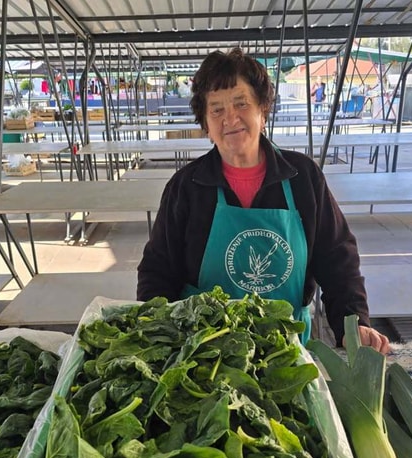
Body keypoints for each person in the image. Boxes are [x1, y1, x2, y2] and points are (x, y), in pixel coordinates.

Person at [136, 48, 390, 354]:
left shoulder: (302, 178)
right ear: (205, 121)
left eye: (241, 103)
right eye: (216, 109)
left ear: (262, 108)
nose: (230, 118)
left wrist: (353, 324)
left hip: (285, 351)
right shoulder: (187, 187)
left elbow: (338, 260)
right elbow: (158, 270)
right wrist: (157, 334)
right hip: (203, 352)